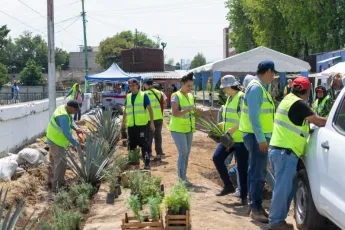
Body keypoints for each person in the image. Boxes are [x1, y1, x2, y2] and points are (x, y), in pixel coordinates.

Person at [268, 77, 327, 230]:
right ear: (307, 91)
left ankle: (279, 219)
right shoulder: (299, 104)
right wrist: (332, 121)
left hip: (280, 151)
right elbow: (318, 121)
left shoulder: (287, 99)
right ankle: (275, 222)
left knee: (289, 186)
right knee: (282, 188)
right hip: (285, 153)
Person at [239, 60, 276, 223]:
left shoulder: (260, 87)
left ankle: (257, 206)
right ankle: (255, 208)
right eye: (273, 73)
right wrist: (261, 139)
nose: (273, 77)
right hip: (256, 137)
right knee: (257, 172)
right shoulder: (256, 88)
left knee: (258, 172)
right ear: (268, 72)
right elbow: (254, 117)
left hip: (258, 136)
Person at [212, 75, 249, 205]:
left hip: (240, 139)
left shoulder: (241, 97)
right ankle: (228, 186)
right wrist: (222, 124)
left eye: (223, 88)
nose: (223, 90)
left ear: (229, 86)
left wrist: (234, 128)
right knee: (217, 158)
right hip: (229, 139)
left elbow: (246, 117)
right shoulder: (229, 98)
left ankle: (243, 197)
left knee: (242, 168)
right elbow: (230, 117)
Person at [169, 72, 200, 186]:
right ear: (182, 84)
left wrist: (197, 110)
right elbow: (175, 113)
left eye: (191, 86)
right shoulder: (176, 96)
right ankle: (181, 179)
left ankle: (184, 176)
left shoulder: (190, 96)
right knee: (183, 152)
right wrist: (189, 109)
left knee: (187, 153)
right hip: (177, 129)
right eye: (188, 86)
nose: (190, 88)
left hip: (188, 128)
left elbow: (191, 110)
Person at [46, 100, 84, 192]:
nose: (75, 112)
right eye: (75, 110)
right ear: (70, 107)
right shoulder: (62, 116)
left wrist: (76, 128)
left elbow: (71, 121)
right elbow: (67, 133)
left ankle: (61, 184)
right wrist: (76, 143)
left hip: (59, 142)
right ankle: (55, 188)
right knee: (59, 163)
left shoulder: (64, 109)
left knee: (63, 163)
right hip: (55, 142)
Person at [122, 78, 155, 170]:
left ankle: (147, 164)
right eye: (129, 86)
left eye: (133, 85)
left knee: (144, 145)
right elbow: (125, 110)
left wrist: (152, 123)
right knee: (131, 145)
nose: (131, 88)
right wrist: (123, 122)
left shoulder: (143, 95)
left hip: (142, 125)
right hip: (131, 126)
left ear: (137, 85)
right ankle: (134, 164)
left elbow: (150, 109)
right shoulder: (128, 96)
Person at [143, 77, 166, 161]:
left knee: (149, 136)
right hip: (159, 118)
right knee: (158, 136)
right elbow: (164, 104)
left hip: (149, 119)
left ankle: (148, 153)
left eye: (144, 84)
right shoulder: (160, 93)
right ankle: (159, 154)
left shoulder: (144, 94)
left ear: (146, 84)